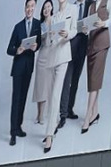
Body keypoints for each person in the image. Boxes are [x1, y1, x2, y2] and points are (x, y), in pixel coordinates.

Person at [38, 0, 76, 153]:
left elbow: (74, 30)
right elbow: (48, 41)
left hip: (63, 55)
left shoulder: (73, 9)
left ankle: (49, 135)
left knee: (55, 95)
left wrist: (68, 34)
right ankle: (52, 125)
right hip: (51, 57)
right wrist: (50, 35)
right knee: (50, 95)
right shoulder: (53, 17)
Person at [6, 0, 41, 147]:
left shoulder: (37, 24)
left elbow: (39, 43)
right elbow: (9, 49)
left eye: (32, 6)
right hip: (18, 67)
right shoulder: (18, 26)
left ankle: (18, 127)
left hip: (28, 67)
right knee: (16, 100)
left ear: (34, 8)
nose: (29, 9)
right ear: (25, 8)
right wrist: (17, 50)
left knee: (23, 98)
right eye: (27, 6)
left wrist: (36, 47)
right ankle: (13, 133)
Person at [82, 0, 111, 134]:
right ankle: (95, 113)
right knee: (93, 79)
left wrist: (104, 23)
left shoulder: (109, 1)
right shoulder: (91, 5)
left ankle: (87, 116)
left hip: (102, 43)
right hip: (91, 44)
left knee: (95, 78)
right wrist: (85, 30)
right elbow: (87, 26)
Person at [59, 0, 93, 126]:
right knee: (66, 80)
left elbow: (94, 22)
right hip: (70, 47)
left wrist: (87, 30)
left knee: (75, 80)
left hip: (83, 47)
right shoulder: (70, 7)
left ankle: (69, 109)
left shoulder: (91, 4)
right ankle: (63, 112)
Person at [32, 0, 57, 128]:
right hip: (42, 56)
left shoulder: (56, 21)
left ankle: (44, 114)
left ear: (52, 8)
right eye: (44, 8)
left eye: (48, 6)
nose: (46, 9)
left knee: (47, 86)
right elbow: (37, 42)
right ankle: (39, 114)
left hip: (52, 56)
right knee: (40, 86)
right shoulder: (40, 25)